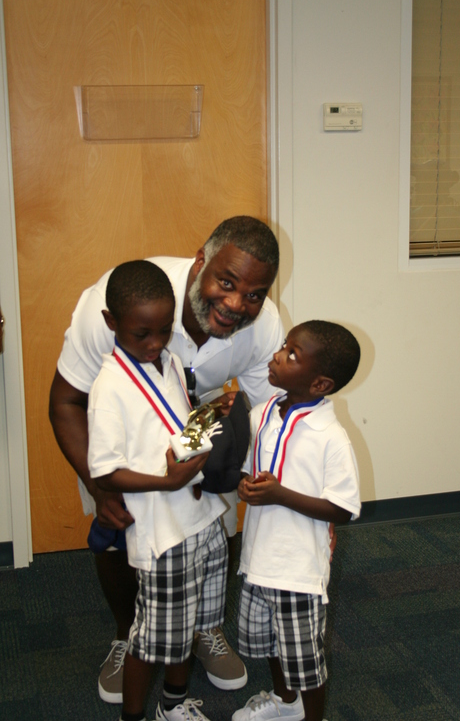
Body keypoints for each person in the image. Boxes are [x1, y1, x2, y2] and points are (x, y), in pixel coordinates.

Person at [48, 216, 284, 703]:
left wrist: (286, 494)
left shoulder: (262, 328)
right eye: (226, 282)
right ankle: (126, 632)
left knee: (215, 530)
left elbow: (267, 421)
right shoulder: (117, 306)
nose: (238, 304)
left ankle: (202, 628)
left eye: (255, 294)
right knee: (119, 531)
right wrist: (101, 486)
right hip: (122, 427)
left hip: (195, 418)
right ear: (201, 262)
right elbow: (66, 402)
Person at [88, 259, 225, 721]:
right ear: (111, 323)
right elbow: (106, 472)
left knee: (185, 629)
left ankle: (174, 704)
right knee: (151, 640)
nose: (154, 344)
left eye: (164, 330)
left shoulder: (166, 360)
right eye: (140, 334)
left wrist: (211, 416)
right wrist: (168, 482)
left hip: (200, 518)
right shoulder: (109, 387)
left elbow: (176, 431)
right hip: (162, 536)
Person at [233, 320, 362, 721]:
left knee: (305, 660)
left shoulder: (331, 436)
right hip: (258, 559)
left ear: (320, 384)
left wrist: (280, 495)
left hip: (298, 570)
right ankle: (285, 703)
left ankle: (311, 715)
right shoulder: (265, 411)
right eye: (284, 345)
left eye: (290, 354)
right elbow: (248, 467)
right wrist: (243, 485)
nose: (276, 355)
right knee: (271, 644)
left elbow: (343, 507)